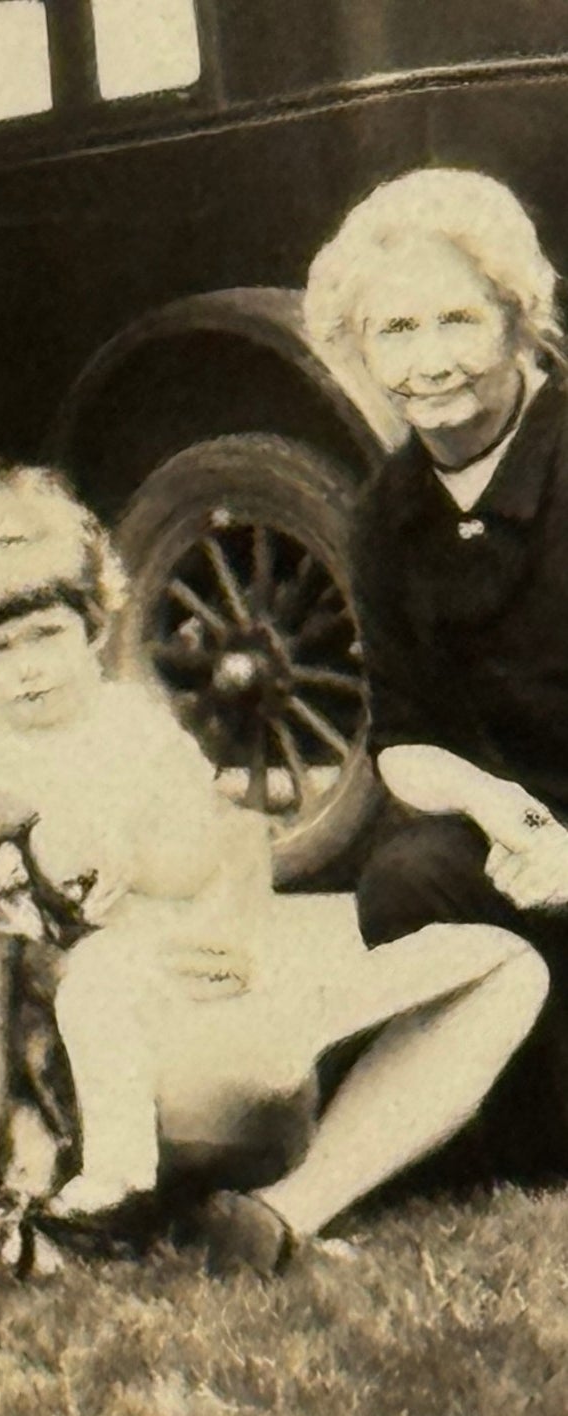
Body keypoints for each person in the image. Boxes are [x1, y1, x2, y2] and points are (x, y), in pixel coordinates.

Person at [0, 464, 548, 1276]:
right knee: (97, 977)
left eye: (45, 635)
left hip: (205, 986)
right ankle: (115, 1178)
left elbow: (209, 852)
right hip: (104, 1035)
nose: (29, 668)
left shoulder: (136, 727)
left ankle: (286, 1198)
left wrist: (165, 877)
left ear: (91, 621)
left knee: (498, 960)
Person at [306, 167, 568, 1176]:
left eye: (456, 320)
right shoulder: (384, 510)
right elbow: (402, 735)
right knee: (407, 877)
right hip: (523, 833)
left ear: (516, 321)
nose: (427, 363)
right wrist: (505, 813)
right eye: (393, 330)